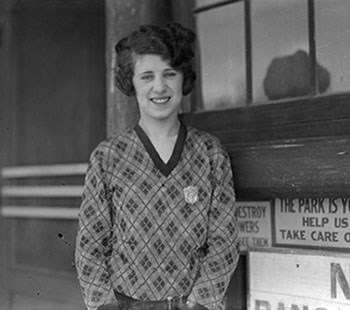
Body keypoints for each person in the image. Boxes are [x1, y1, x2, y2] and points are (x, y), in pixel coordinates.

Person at [75, 22, 240, 310]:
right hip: (125, 303)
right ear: (132, 82)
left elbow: (224, 241)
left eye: (170, 74)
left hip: (191, 305)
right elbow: (90, 244)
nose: (159, 87)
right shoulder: (108, 157)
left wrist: (202, 303)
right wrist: (105, 305)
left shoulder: (210, 153)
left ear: (183, 79)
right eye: (147, 76)